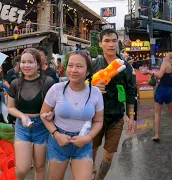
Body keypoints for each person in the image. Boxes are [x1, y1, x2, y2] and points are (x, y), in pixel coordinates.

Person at [40, 51, 104, 180]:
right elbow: (43, 114)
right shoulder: (56, 89)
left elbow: (98, 121)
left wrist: (88, 138)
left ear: (87, 71)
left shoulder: (96, 93)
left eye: (79, 66)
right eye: (70, 65)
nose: (74, 70)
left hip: (83, 144)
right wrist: (56, 135)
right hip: (58, 142)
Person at [91, 29, 136, 180]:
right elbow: (79, 86)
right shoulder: (94, 64)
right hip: (93, 116)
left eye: (113, 41)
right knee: (91, 150)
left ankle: (99, 178)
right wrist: (92, 87)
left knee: (109, 156)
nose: (111, 45)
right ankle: (90, 173)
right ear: (100, 43)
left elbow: (131, 92)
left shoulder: (125, 67)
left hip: (116, 116)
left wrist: (131, 116)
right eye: (106, 41)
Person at [7, 48, 55, 179]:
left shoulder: (48, 82)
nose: (26, 65)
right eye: (23, 62)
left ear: (38, 64)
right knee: (22, 168)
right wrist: (22, 116)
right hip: (22, 127)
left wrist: (51, 113)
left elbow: (56, 105)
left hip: (42, 127)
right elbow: (10, 107)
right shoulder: (15, 83)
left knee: (39, 167)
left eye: (30, 62)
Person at [144, 52, 172, 142]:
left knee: (157, 113)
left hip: (161, 90)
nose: (164, 57)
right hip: (169, 90)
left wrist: (149, 72)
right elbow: (164, 76)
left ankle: (156, 135)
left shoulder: (165, 64)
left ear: (171, 58)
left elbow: (159, 75)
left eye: (166, 56)